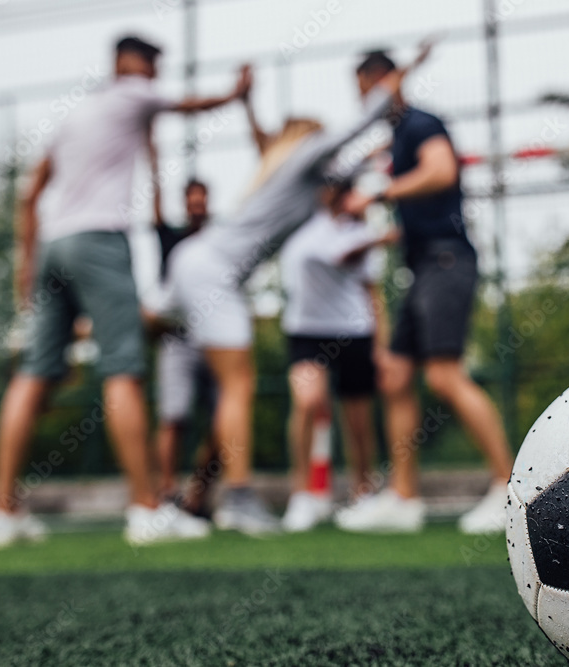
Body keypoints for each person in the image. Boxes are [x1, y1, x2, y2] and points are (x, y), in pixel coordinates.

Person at [0, 35, 252, 548]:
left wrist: (26, 267)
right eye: (153, 64)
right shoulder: (132, 93)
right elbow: (191, 105)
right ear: (132, 62)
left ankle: (1, 512)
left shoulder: (73, 116)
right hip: (98, 242)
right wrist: (235, 95)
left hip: (53, 246)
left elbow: (31, 194)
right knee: (123, 370)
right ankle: (146, 510)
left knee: (32, 375)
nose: (156, 74)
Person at [159, 47, 429, 536]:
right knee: (237, 386)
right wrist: (401, 76)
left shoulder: (301, 177)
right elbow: (358, 127)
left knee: (219, 386)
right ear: (307, 140)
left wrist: (385, 151)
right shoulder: (303, 157)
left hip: (195, 268)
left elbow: (349, 169)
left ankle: (191, 497)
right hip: (212, 272)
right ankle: (238, 498)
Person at [336, 50, 514, 534]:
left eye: (366, 91)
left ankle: (509, 487)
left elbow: (442, 172)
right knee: (395, 376)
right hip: (424, 265)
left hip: (446, 261)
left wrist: (378, 192)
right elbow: (423, 209)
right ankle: (403, 499)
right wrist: (376, 236)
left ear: (384, 83)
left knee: (443, 376)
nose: (365, 102)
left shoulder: (421, 124)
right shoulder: (398, 137)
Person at [276, 178, 398, 532]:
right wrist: (380, 238)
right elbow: (338, 255)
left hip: (354, 331)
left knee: (358, 422)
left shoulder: (359, 232)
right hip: (306, 332)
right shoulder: (303, 224)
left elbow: (373, 294)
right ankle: (301, 495)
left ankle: (363, 493)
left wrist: (381, 348)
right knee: (307, 401)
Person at [151, 179, 220, 515]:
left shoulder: (220, 242)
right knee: (173, 417)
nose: (197, 206)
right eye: (191, 201)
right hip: (177, 338)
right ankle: (167, 494)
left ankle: (197, 496)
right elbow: (156, 207)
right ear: (184, 204)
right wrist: (153, 161)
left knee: (223, 423)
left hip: (216, 340)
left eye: (201, 200)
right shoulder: (170, 239)